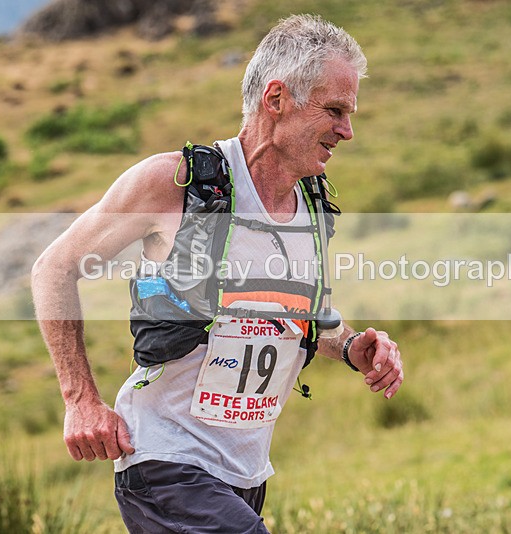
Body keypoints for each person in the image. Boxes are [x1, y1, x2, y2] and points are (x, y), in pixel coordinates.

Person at [31, 14, 403, 533]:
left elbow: (287, 313)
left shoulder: (312, 206)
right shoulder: (176, 183)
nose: (347, 131)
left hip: (244, 473)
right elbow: (54, 267)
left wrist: (350, 347)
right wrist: (81, 400)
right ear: (277, 98)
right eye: (335, 110)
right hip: (165, 460)